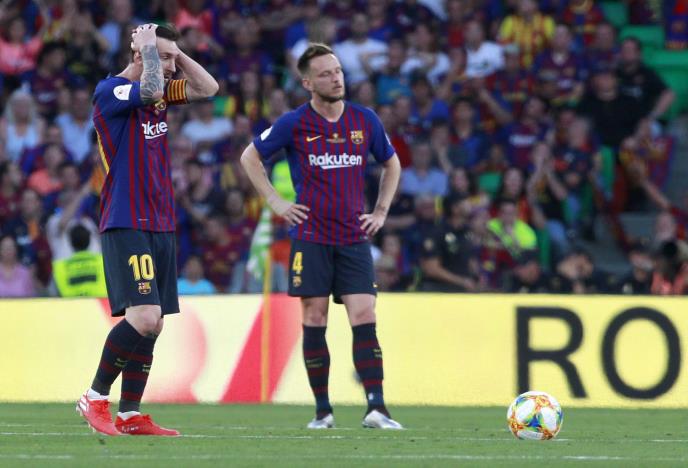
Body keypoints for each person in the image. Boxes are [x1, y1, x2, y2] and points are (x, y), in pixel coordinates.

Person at [240, 43, 403, 430]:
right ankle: (323, 411)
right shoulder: (294, 123)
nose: (336, 78)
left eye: (338, 71)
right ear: (308, 83)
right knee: (315, 317)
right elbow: (250, 157)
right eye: (326, 74)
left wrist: (381, 211)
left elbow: (392, 163)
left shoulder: (364, 120)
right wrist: (276, 201)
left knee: (364, 314)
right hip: (311, 237)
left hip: (353, 238)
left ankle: (377, 408)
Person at [76, 23, 218, 437]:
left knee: (154, 323)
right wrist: (154, 52)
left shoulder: (158, 93)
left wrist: (175, 52)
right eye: (164, 58)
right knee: (143, 316)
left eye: (173, 58)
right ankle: (94, 396)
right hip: (126, 218)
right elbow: (151, 86)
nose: (172, 67)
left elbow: (208, 88)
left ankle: (130, 414)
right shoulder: (111, 91)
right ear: (139, 55)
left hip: (160, 220)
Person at [52, 224, 107, 297]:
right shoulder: (104, 261)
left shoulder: (58, 267)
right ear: (89, 241)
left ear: (71, 243)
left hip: (71, 304)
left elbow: (54, 294)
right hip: (101, 303)